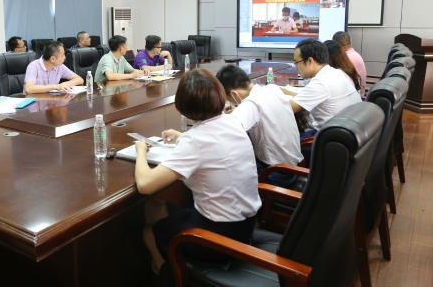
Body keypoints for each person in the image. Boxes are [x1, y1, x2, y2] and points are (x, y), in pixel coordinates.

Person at [135, 68, 260, 272]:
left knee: (149, 231)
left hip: (217, 238)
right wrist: (182, 136)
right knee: (157, 204)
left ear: (183, 106)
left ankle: (167, 273)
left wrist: (141, 151)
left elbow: (145, 185)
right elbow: (212, 140)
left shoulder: (195, 141)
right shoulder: (233, 122)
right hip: (245, 227)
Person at [216, 65, 303, 187]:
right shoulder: (272, 89)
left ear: (234, 94)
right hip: (295, 166)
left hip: (275, 174)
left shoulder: (251, 104)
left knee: (223, 171)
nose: (230, 103)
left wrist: (220, 114)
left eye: (228, 99)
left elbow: (225, 131)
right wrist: (238, 109)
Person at [283, 39, 361, 129]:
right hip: (350, 128)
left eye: (296, 62)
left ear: (310, 61)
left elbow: (287, 108)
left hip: (330, 133)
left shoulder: (321, 82)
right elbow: (308, 95)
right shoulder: (338, 73)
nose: (295, 67)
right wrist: (281, 90)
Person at [333, 31, 366, 97]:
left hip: (354, 95)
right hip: (357, 93)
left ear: (335, 45)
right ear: (350, 41)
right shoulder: (354, 54)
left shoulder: (346, 58)